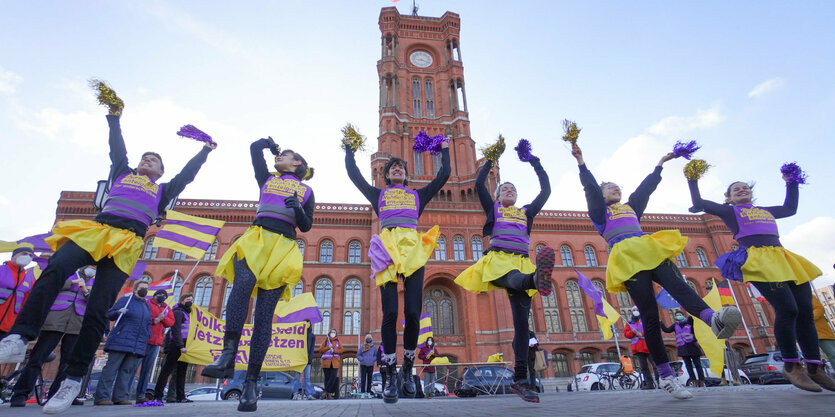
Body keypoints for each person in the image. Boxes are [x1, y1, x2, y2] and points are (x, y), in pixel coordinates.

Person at [0, 84, 214, 414]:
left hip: (126, 244)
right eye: (147, 156)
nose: (148, 160)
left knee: (99, 307)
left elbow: (187, 175)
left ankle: (72, 380)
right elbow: (117, 149)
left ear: (160, 173)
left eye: (155, 160)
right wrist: (114, 117)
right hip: (97, 232)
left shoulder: (162, 191)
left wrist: (205, 151)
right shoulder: (122, 174)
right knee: (56, 268)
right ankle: (19, 337)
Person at [570, 142, 741, 400]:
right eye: (609, 188)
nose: (614, 189)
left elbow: (645, 189)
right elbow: (591, 190)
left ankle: (712, 319)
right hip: (627, 259)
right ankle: (666, 376)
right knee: (649, 315)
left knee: (681, 287)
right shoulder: (599, 213)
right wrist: (581, 162)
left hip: (650, 250)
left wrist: (660, 164)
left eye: (616, 186)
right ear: (602, 195)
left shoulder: (631, 208)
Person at [689, 170, 835, 392]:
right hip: (758, 261)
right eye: (735, 189)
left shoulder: (764, 211)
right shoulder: (730, 212)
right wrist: (693, 178)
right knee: (787, 309)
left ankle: (815, 367)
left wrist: (792, 183)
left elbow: (790, 209)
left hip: (783, 258)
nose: (741, 189)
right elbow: (699, 202)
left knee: (805, 311)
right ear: (728, 197)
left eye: (745, 187)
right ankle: (791, 365)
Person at [202, 137, 314, 412]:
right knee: (241, 287)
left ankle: (251, 383)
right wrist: (268, 144)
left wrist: (297, 207)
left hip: (283, 247)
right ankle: (228, 354)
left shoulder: (307, 190)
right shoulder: (266, 178)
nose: (281, 157)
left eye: (286, 155)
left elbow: (306, 226)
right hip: (256, 239)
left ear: (297, 162)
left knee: (264, 315)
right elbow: (254, 150)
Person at [345, 137, 450, 404]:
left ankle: (407, 365)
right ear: (386, 174)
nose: (397, 169)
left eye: (401, 167)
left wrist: (445, 148)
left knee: (413, 312)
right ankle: (390, 372)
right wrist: (349, 148)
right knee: (390, 312)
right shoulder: (378, 195)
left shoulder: (417, 195)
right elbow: (354, 176)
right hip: (387, 250)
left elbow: (444, 175)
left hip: (413, 250)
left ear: (406, 174)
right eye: (392, 167)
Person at [454, 149, 552, 403]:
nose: (509, 190)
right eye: (504, 188)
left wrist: (535, 161)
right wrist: (490, 158)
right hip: (498, 261)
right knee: (514, 278)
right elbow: (478, 183)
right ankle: (536, 280)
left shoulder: (526, 213)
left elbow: (546, 191)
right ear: (497, 195)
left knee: (522, 327)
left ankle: (521, 380)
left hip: (522, 262)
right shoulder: (493, 209)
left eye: (512, 189)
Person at [10, 266, 95, 407]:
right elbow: (50, 286)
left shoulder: (96, 282)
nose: (92, 269)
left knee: (68, 363)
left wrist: (85, 290)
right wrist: (71, 283)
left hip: (76, 323)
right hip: (55, 319)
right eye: (91, 265)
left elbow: (96, 304)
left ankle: (56, 396)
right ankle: (20, 393)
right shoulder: (68, 272)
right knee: (38, 357)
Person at [93, 280, 152, 405]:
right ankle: (102, 397)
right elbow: (110, 314)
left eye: (146, 288)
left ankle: (120, 397)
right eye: (142, 288)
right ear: (135, 289)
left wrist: (147, 335)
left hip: (136, 343)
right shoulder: (126, 300)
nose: (144, 290)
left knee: (127, 371)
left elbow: (147, 323)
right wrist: (118, 312)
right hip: (120, 340)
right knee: (111, 369)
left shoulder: (146, 305)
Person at [134, 289, 175, 404]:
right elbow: (142, 317)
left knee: (146, 371)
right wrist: (154, 320)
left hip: (156, 342)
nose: (162, 296)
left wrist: (163, 318)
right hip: (144, 340)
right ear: (155, 295)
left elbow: (171, 322)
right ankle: (125, 394)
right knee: (133, 368)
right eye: (159, 294)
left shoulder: (166, 308)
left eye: (164, 295)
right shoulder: (147, 303)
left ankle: (141, 395)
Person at [153, 293, 193, 403]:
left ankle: (181, 396)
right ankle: (158, 395)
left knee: (181, 371)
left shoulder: (187, 313)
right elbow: (175, 331)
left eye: (191, 300)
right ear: (182, 301)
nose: (190, 301)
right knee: (167, 370)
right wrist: (180, 346)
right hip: (176, 345)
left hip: (184, 346)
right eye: (188, 299)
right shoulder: (178, 312)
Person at [661, 310, 705, 387]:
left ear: (683, 315)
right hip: (683, 347)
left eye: (680, 314)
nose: (678, 316)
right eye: (677, 315)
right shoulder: (675, 325)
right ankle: (694, 381)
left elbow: (693, 318)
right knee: (688, 366)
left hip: (692, 346)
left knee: (697, 365)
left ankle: (701, 381)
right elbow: (666, 330)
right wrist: (660, 323)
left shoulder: (689, 322)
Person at [0, 247, 36, 336]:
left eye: (30, 255)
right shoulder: (1, 270)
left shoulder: (29, 279)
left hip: (8, 326)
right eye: (24, 253)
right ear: (14, 256)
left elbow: (26, 303)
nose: (27, 257)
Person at [623, 307, 658, 389]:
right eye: (634, 310)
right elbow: (626, 334)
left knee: (655, 365)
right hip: (637, 347)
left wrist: (642, 334)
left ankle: (660, 382)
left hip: (648, 345)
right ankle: (649, 383)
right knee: (644, 367)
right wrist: (633, 332)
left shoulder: (645, 320)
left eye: (637, 310)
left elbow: (651, 329)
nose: (636, 312)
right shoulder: (630, 323)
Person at [292, 319, 317, 400]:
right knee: (297, 378)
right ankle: (295, 394)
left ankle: (308, 394)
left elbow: (312, 349)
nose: (307, 324)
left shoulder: (312, 336)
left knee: (307, 378)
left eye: (308, 323)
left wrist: (309, 358)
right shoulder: (298, 335)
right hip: (299, 360)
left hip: (307, 360)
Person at [319, 328, 343, 400]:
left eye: (334, 332)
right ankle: (328, 395)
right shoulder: (326, 341)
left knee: (332, 378)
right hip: (326, 363)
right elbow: (320, 350)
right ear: (329, 333)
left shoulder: (338, 342)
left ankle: (325, 392)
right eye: (332, 332)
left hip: (335, 362)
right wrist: (327, 348)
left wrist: (334, 350)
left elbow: (341, 350)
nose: (333, 333)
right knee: (327, 378)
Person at [813, 296, 835, 365]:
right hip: (809, 335)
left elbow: (819, 309)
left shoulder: (807, 296)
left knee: (833, 355)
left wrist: (807, 319)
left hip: (822, 334)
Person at [357, 333, 377, 398]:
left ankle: (368, 392)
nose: (368, 339)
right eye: (367, 338)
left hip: (370, 364)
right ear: (365, 339)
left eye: (369, 338)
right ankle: (362, 393)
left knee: (369, 379)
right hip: (363, 364)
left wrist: (372, 360)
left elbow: (376, 355)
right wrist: (362, 359)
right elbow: (358, 355)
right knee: (363, 379)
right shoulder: (362, 346)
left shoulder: (373, 347)